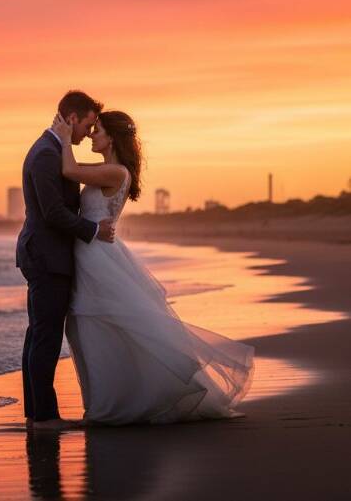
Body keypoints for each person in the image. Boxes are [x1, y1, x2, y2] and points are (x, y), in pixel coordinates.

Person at [51, 110, 254, 424]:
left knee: (98, 326)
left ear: (112, 138)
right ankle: (109, 402)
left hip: (98, 259)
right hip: (95, 254)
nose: (92, 135)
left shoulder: (116, 172)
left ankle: (112, 406)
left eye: (98, 130)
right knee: (93, 328)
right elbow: (74, 171)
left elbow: (68, 169)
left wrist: (64, 139)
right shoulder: (108, 169)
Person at [16, 90, 116, 431]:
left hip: (46, 254)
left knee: (39, 334)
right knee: (45, 336)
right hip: (46, 255)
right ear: (72, 118)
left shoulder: (54, 150)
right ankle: (43, 417)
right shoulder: (46, 153)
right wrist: (93, 230)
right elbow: (53, 212)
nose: (88, 133)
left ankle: (36, 414)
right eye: (87, 125)